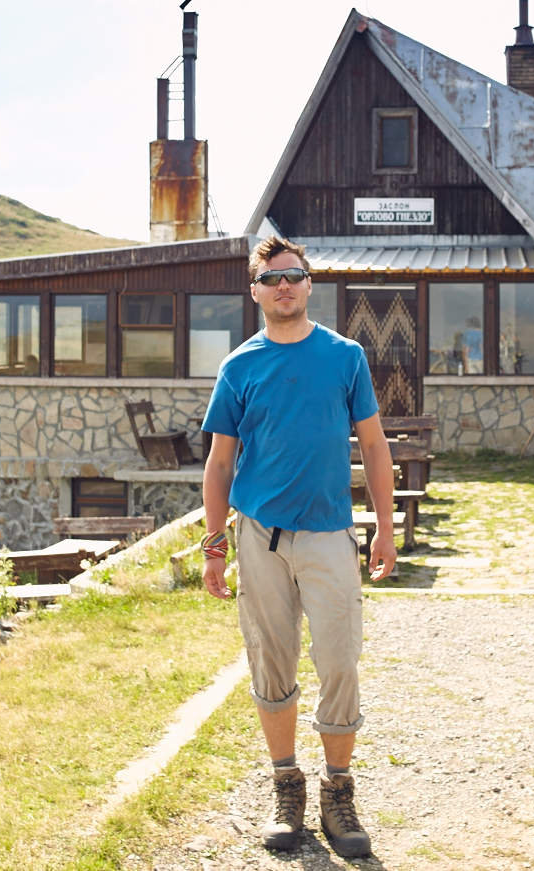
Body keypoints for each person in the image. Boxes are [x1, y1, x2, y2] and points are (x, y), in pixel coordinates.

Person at [200, 236, 397, 859]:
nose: (284, 286)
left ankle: (339, 791)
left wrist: (384, 528)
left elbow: (373, 447)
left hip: (330, 535)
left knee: (339, 662)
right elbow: (219, 462)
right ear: (255, 291)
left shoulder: (345, 357)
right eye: (271, 279)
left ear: (309, 285)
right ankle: (288, 784)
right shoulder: (239, 367)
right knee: (272, 665)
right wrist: (212, 547)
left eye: (294, 275)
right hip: (259, 537)